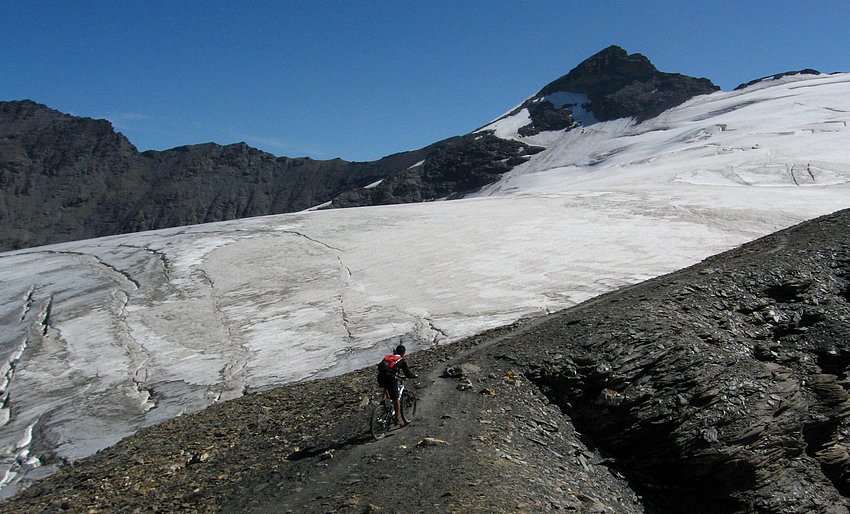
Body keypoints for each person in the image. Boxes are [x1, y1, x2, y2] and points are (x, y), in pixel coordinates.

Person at [377, 344, 417, 427]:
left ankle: (383, 403)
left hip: (380, 377)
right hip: (390, 378)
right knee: (396, 398)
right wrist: (414, 376)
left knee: (386, 387)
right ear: (403, 353)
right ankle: (398, 419)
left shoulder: (388, 357)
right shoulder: (401, 360)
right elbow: (407, 373)